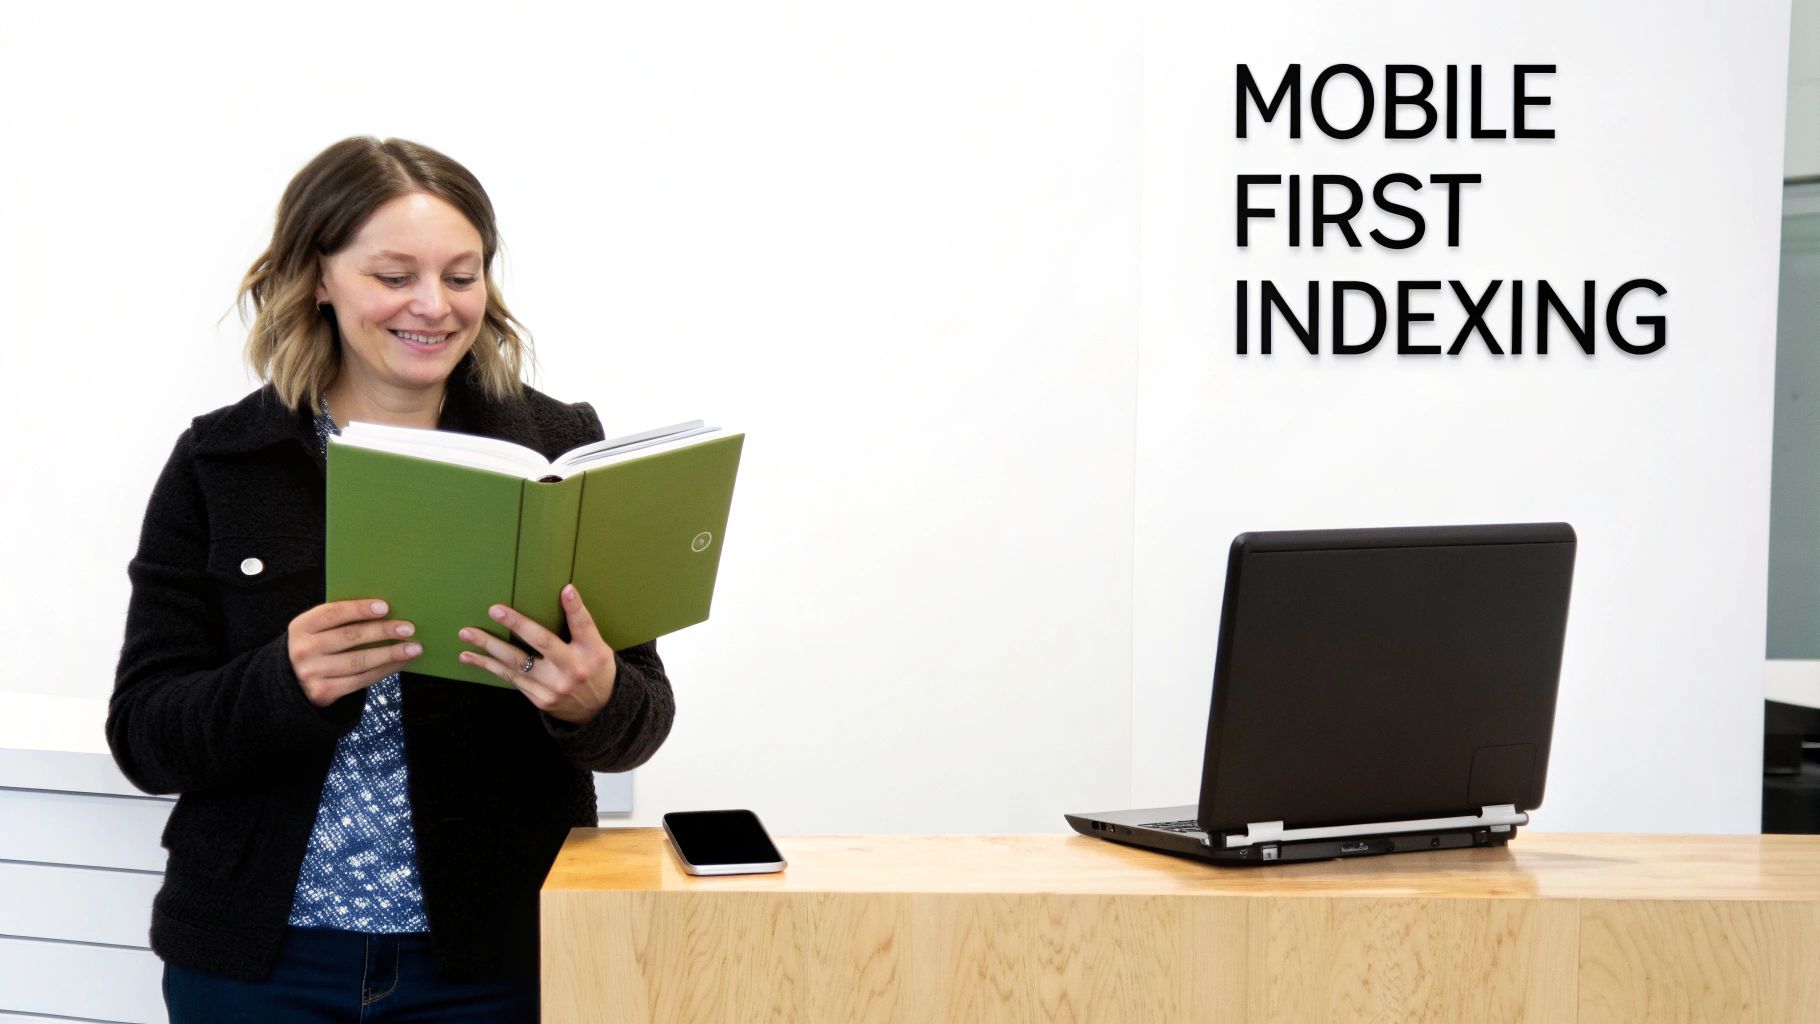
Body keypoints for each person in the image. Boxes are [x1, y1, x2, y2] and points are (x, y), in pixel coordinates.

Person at [106, 136, 675, 1022]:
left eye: (461, 274)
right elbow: (143, 736)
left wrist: (592, 700)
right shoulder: (220, 462)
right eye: (394, 274)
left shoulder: (557, 448)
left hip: (496, 962)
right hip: (259, 965)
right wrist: (283, 682)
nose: (434, 306)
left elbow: (641, 722)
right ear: (318, 277)